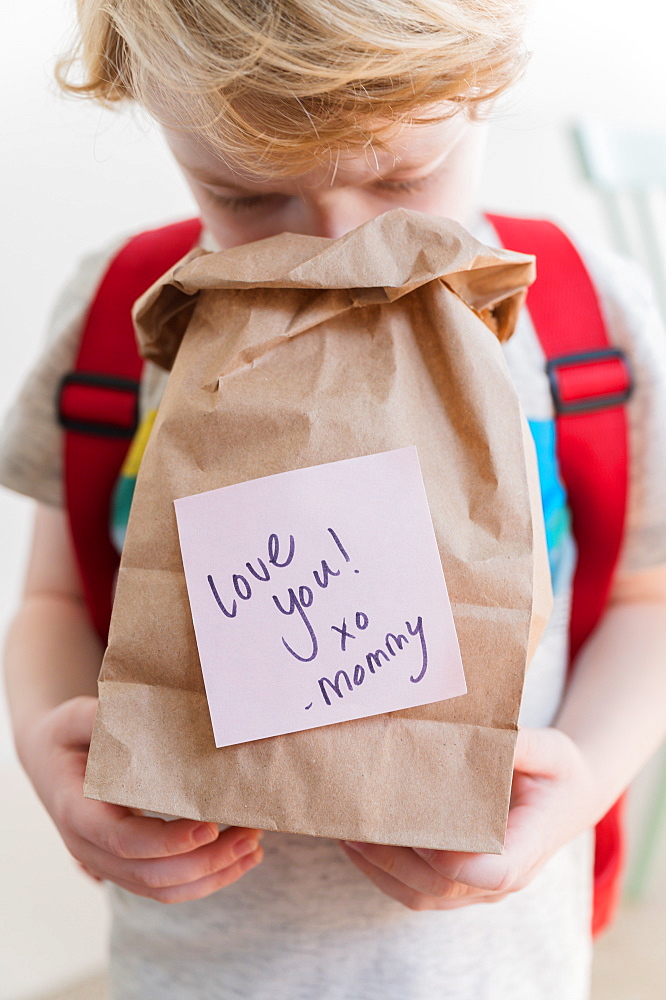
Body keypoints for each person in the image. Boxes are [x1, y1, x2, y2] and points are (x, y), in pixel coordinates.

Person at [3, 1, 666, 998]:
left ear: (493, 76)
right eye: (245, 194)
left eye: (403, 178)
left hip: (494, 965)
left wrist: (585, 778)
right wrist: (52, 759)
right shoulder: (125, 318)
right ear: (149, 103)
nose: (336, 243)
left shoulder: (585, 323)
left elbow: (647, 602)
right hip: (192, 965)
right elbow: (51, 601)